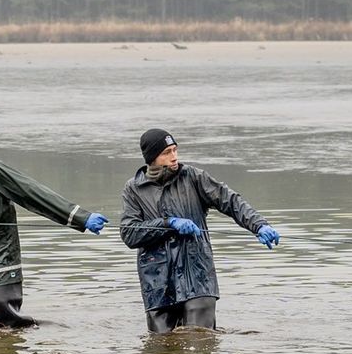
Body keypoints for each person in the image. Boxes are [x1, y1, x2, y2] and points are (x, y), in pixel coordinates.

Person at [0, 112, 107, 328]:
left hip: (1, 263)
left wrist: (81, 217)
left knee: (8, 326)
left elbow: (33, 193)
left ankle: (56, 333)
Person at [118, 127, 280, 333]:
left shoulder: (193, 177)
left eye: (175, 150)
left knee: (199, 342)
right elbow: (129, 234)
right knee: (160, 352)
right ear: (151, 158)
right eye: (167, 153)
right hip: (157, 284)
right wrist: (169, 223)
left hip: (197, 277)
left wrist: (259, 225)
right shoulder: (133, 189)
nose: (174, 157)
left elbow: (230, 201)